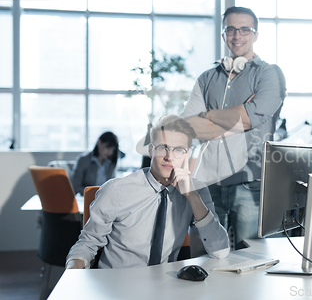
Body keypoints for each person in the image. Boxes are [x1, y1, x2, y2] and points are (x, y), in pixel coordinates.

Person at [181, 6, 287, 249]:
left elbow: (252, 119)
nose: (237, 35)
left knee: (252, 258)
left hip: (250, 182)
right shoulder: (207, 78)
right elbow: (188, 126)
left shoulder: (270, 75)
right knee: (205, 259)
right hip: (207, 181)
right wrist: (237, 114)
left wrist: (207, 115)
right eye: (230, 29)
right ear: (223, 34)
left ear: (255, 35)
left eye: (244, 29)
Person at [66, 115, 229, 269]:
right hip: (117, 285)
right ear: (150, 151)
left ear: (187, 154)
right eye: (162, 148)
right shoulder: (116, 190)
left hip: (164, 286)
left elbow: (220, 251)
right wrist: (73, 270)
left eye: (178, 150)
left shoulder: (197, 190)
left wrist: (193, 197)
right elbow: (87, 244)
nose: (169, 157)